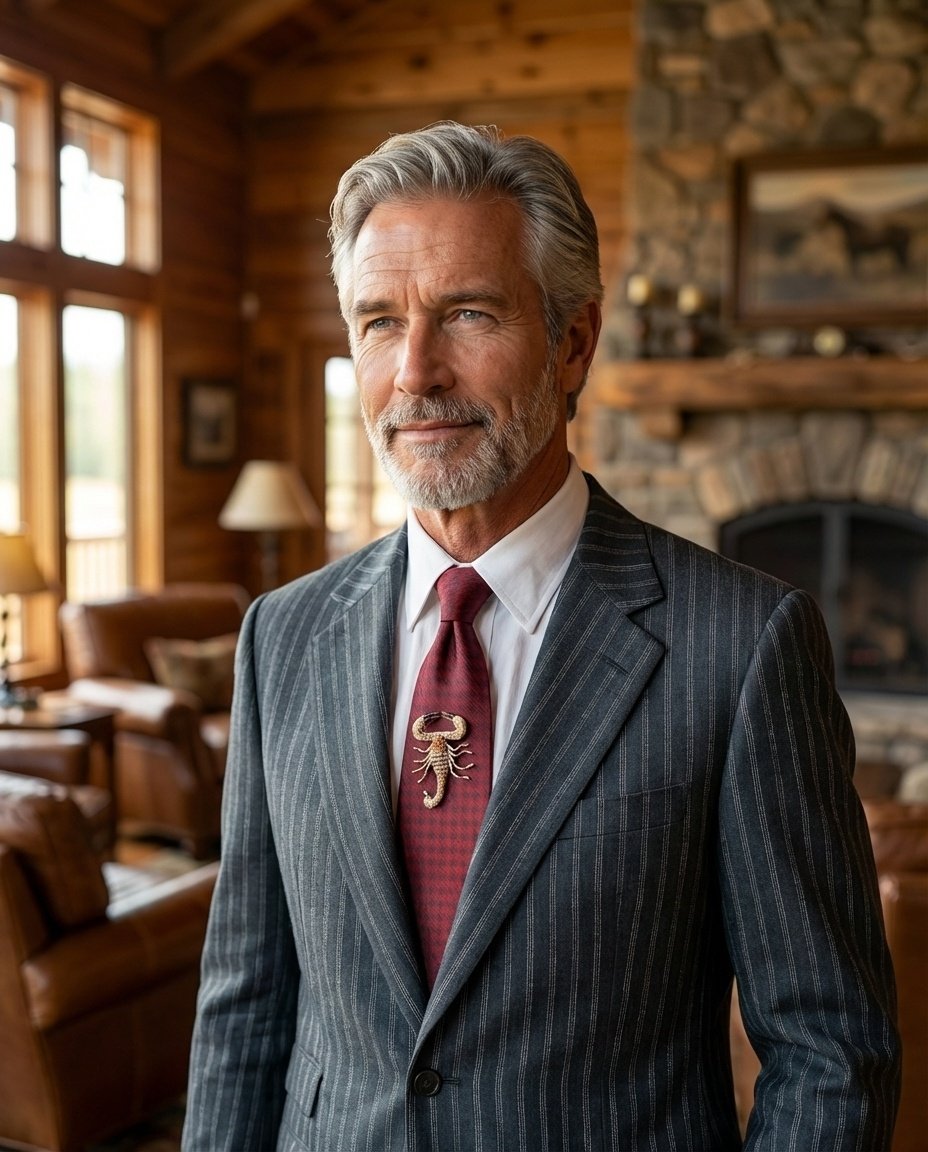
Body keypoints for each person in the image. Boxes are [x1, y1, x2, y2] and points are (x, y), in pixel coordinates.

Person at [183, 122, 899, 1151]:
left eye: (466, 313)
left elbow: (829, 1048)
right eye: (379, 322)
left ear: (573, 341)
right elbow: (243, 1005)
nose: (416, 371)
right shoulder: (280, 636)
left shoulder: (742, 646)